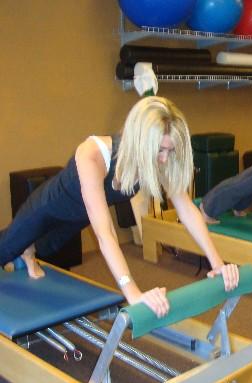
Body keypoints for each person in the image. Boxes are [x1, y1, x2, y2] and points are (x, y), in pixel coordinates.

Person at [0, 96, 239, 317]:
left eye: (170, 151)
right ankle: (23, 248)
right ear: (141, 141)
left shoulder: (158, 159)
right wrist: (133, 292)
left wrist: (217, 263)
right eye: (160, 150)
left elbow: (187, 209)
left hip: (77, 218)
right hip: (49, 206)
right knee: (6, 248)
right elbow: (105, 234)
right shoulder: (93, 154)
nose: (165, 159)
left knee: (47, 248)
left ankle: (29, 250)